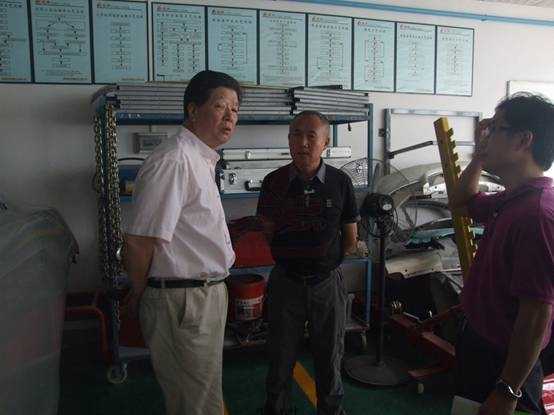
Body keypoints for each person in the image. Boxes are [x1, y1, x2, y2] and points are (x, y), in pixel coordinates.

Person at [123, 70, 241, 415]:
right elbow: (139, 242)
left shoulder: (199, 159)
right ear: (193, 109)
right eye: (220, 106)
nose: (230, 116)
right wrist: (139, 294)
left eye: (235, 109)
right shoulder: (174, 160)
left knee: (195, 395)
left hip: (200, 295)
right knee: (197, 402)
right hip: (184, 300)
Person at [451, 93, 554, 415]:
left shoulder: (536, 215)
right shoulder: (513, 199)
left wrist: (508, 391)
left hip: (503, 362)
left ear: (523, 140)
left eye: (494, 128)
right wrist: (479, 157)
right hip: (480, 343)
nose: (485, 135)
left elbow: (536, 314)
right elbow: (460, 202)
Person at [257, 110, 359, 415]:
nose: (302, 142)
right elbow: (267, 232)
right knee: (279, 357)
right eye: (296, 135)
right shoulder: (273, 182)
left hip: (326, 286)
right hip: (285, 283)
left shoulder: (341, 183)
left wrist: (323, 262)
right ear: (288, 140)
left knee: (330, 357)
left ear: (325, 143)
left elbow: (350, 239)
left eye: (311, 136)